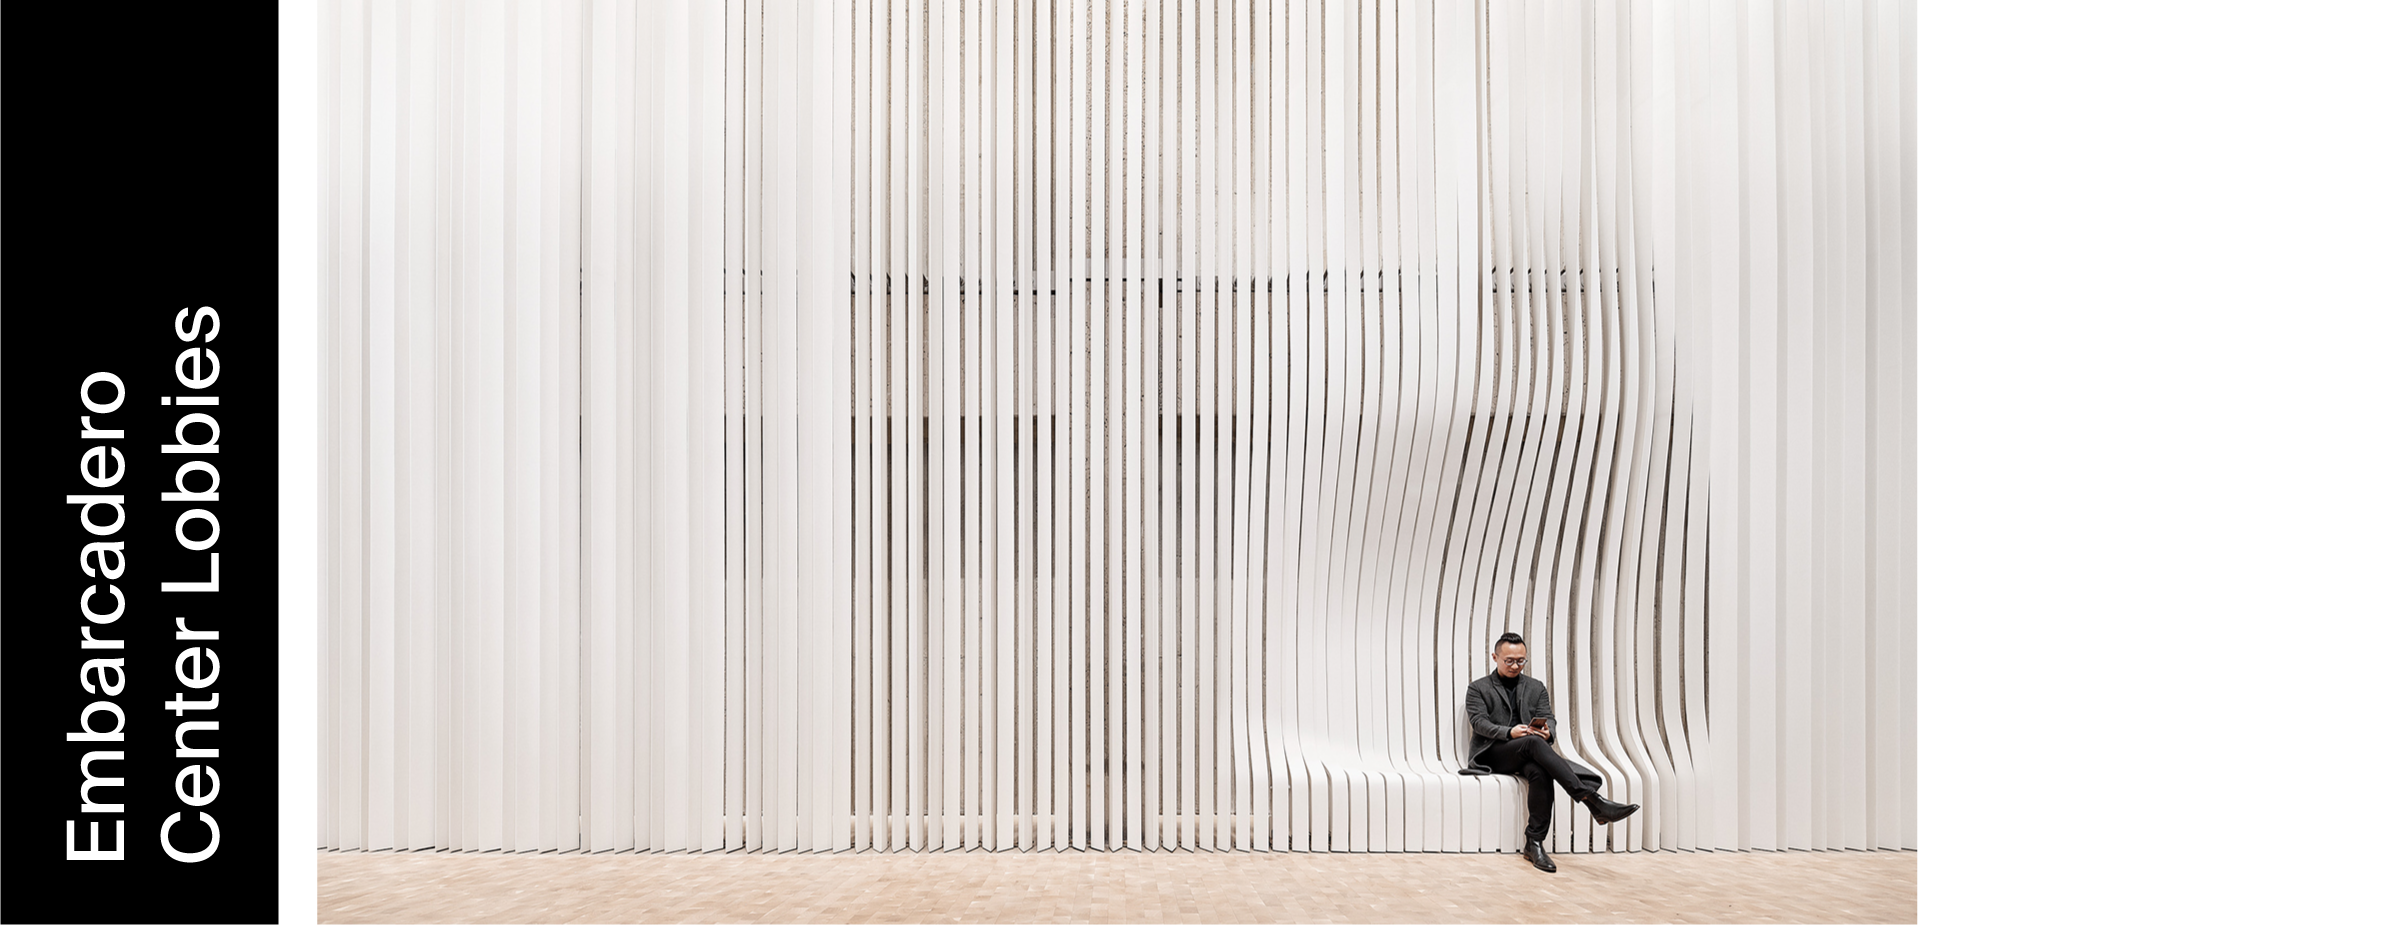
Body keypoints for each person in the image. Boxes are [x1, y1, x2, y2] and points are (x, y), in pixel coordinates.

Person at [1462, 631, 1639, 873]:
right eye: (1509, 661)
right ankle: (1592, 800)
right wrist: (1509, 732)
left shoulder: (1535, 687)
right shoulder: (1478, 688)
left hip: (1529, 751)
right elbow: (1479, 723)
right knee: (1535, 745)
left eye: (1521, 660)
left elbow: (1550, 718)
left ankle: (1534, 843)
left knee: (1539, 770)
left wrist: (1547, 732)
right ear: (1495, 657)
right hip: (1493, 753)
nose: (1516, 666)